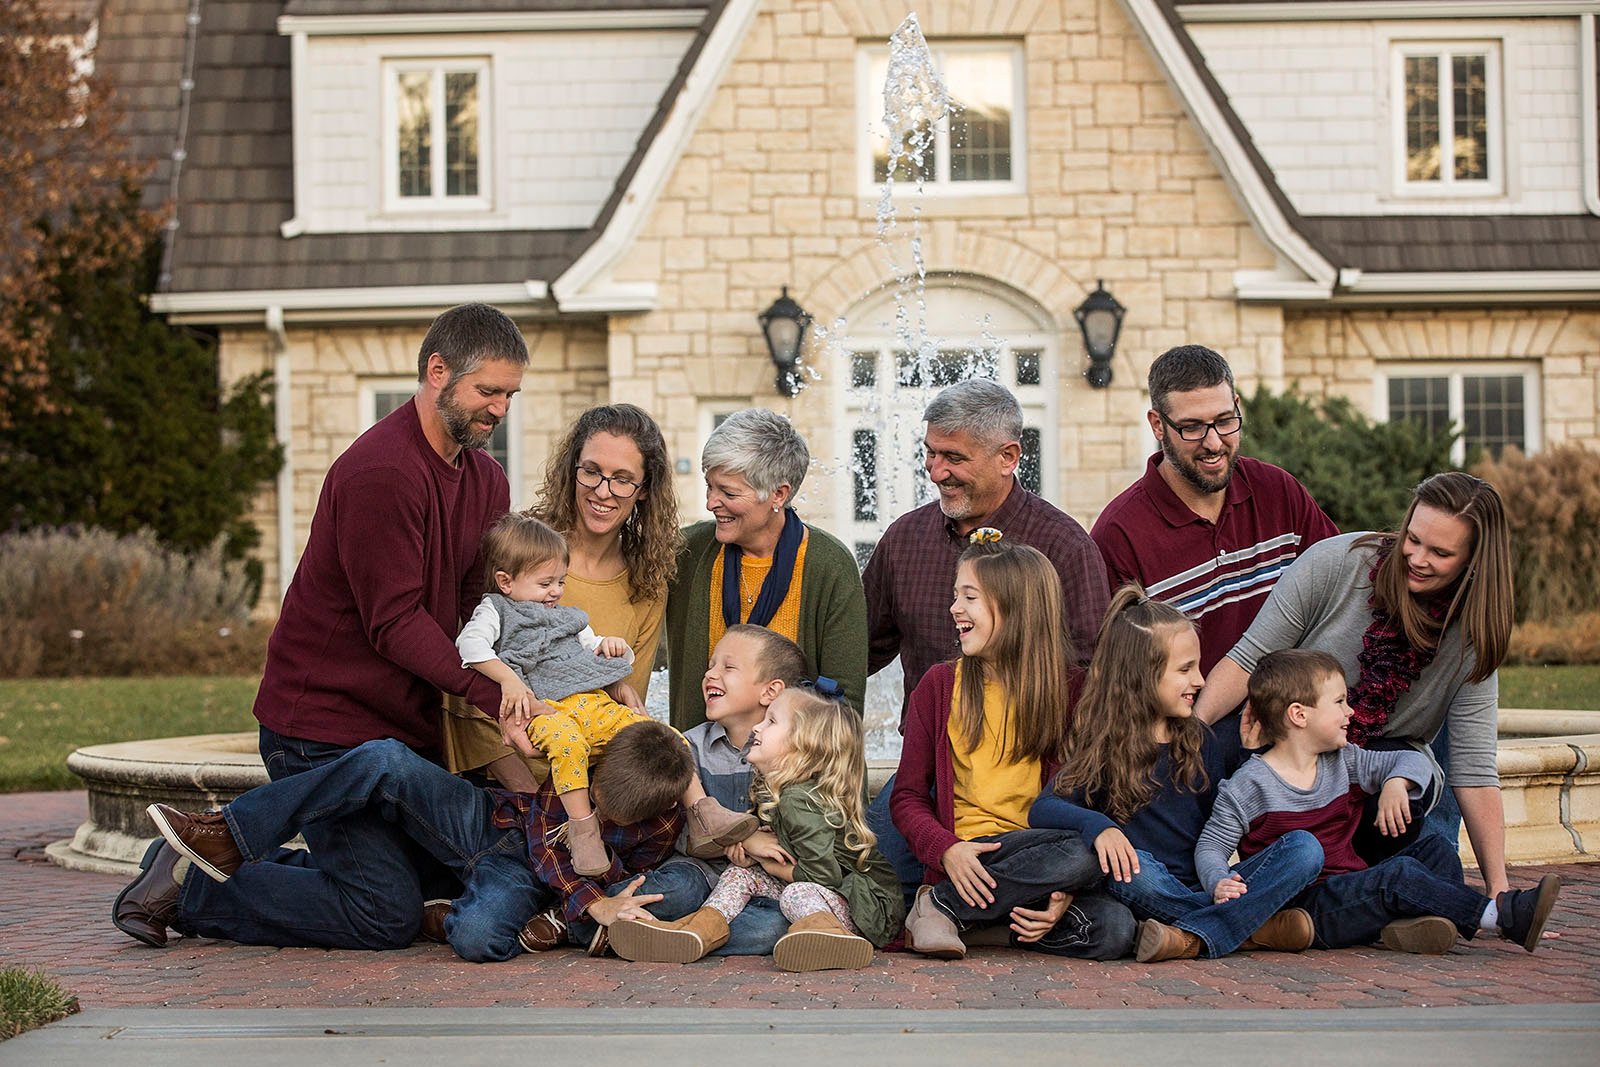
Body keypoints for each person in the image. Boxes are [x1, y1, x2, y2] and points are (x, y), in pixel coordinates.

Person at [113, 302, 528, 950]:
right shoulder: (383, 471)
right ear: (437, 370)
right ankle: (197, 889)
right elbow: (394, 621)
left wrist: (522, 679)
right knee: (382, 914)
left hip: (398, 732)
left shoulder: (486, 480)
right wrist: (490, 691)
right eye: (487, 390)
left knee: (442, 871)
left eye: (509, 394)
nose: (499, 409)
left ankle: (203, 857)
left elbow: (476, 609)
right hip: (321, 730)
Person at [127, 718, 693, 963]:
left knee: (473, 936)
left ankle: (193, 881)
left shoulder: (665, 820)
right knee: (386, 760)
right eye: (592, 797)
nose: (591, 812)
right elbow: (549, 837)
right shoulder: (587, 754)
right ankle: (230, 832)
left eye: (609, 812)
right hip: (489, 821)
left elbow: (607, 876)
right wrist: (590, 901)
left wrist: (596, 901)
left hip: (521, 880)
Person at [1194, 472, 1516, 896]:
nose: (1417, 558)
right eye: (1413, 539)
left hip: (1369, 776)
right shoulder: (1335, 563)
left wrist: (1499, 890)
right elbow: (1249, 659)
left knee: (1412, 805)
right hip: (1288, 746)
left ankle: (1350, 892)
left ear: (1474, 561)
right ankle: (1204, 883)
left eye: (1440, 552)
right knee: (1209, 748)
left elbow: (1473, 770)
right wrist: (1191, 732)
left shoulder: (1473, 638)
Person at [864, 380, 1110, 898]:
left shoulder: (1064, 546)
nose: (935, 472)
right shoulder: (904, 540)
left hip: (1033, 781)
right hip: (930, 779)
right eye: (929, 454)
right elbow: (861, 648)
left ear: (1008, 456)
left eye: (953, 457)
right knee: (871, 880)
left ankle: (966, 907)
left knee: (1085, 883)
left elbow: (1094, 678)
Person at [1193, 650, 1561, 955]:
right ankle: (1501, 917)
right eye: (1339, 702)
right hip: (1306, 909)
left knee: (1436, 851)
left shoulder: (1345, 761)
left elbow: (1412, 760)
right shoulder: (1248, 786)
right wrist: (1218, 881)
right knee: (1394, 878)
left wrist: (1396, 785)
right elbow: (1210, 845)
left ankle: (1417, 923)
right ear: (1299, 715)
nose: (1350, 712)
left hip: (1350, 886)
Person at [455, 512, 754, 875]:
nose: (556, 592)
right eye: (545, 583)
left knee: (663, 737)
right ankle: (584, 834)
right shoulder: (496, 610)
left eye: (561, 581)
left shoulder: (567, 616)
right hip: (547, 710)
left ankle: (703, 812)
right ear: (506, 581)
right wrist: (509, 680)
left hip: (594, 705)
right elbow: (469, 646)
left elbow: (594, 647)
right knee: (569, 747)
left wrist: (613, 646)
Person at [1035, 587, 1322, 963]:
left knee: (1304, 848)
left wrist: (1253, 756)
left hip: (1203, 882)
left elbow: (1227, 820)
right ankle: (1252, 929)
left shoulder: (1202, 739)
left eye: (1197, 667)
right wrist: (1099, 827)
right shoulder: (1105, 746)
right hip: (1145, 887)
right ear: (1140, 675)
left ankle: (1194, 935)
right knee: (1132, 870)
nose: (1201, 681)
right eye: (1185, 669)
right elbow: (1043, 808)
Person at [891, 539, 1135, 961]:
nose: (955, 609)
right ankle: (942, 903)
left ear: (1016, 608)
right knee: (1083, 852)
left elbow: (1083, 796)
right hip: (970, 857)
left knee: (1115, 926)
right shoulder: (939, 685)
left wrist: (1062, 893)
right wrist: (947, 849)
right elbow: (907, 796)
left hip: (1041, 858)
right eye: (955, 596)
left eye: (970, 597)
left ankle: (961, 919)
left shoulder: (1070, 690)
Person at [441, 404, 682, 789]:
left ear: (644, 491)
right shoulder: (521, 546)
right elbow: (464, 687)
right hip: (499, 785)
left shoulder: (646, 584)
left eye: (622, 479)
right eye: (591, 471)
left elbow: (621, 706)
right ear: (572, 470)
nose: (603, 491)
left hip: (582, 790)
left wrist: (585, 809)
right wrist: (535, 800)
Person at [610, 684, 905, 970]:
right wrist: (749, 858)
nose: (757, 728)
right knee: (739, 874)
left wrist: (770, 866)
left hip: (864, 908)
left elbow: (822, 875)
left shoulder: (798, 800)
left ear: (804, 748)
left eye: (771, 722)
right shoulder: (778, 790)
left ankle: (829, 935)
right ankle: (701, 928)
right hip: (827, 894)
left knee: (795, 894)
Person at [1092, 344, 1338, 675]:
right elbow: (1119, 678)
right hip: (1191, 724)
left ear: (1237, 406)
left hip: (1294, 716)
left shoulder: (1278, 491)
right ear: (1157, 425)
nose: (1213, 443)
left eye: (1224, 421)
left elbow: (1338, 591)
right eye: (1191, 427)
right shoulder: (1119, 534)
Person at [665, 408, 867, 730]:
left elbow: (844, 707)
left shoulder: (830, 566)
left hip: (795, 772)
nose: (711, 502)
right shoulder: (687, 551)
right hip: (699, 770)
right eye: (710, 486)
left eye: (729, 493)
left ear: (778, 493)